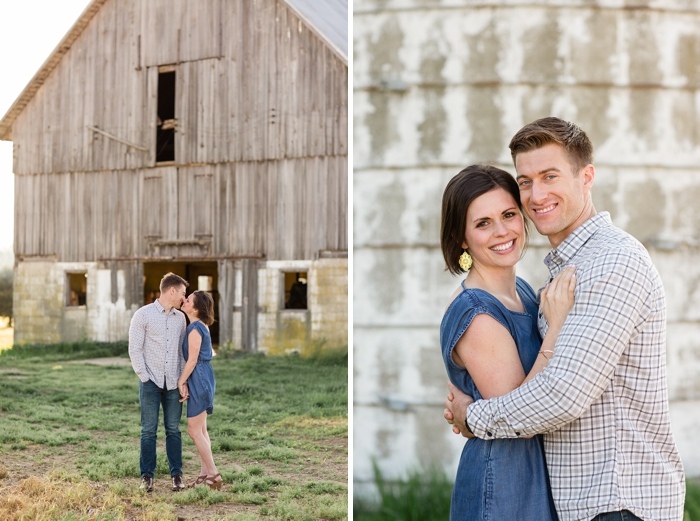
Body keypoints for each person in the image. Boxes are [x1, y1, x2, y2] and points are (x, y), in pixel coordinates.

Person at [444, 117, 685, 521]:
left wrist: (472, 417)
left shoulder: (611, 262)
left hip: (617, 504)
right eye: (525, 181)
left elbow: (562, 396)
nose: (537, 195)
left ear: (586, 176)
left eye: (550, 176)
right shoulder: (563, 272)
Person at [440, 164, 576, 520]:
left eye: (508, 214)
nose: (502, 231)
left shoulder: (524, 292)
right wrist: (558, 325)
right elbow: (520, 414)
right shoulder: (477, 312)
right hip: (502, 483)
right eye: (483, 223)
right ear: (461, 237)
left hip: (534, 477)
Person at [128, 272, 189, 493]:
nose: (185, 298)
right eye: (183, 293)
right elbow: (134, 348)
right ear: (171, 291)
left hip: (174, 382)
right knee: (148, 431)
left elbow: (183, 353)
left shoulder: (181, 318)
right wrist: (144, 376)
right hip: (150, 382)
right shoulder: (142, 315)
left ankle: (176, 476)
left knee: (173, 430)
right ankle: (147, 476)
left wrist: (183, 381)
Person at [178, 290, 222, 489]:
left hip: (200, 377)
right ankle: (205, 474)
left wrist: (181, 381)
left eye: (188, 300)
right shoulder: (198, 325)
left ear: (195, 308)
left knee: (194, 431)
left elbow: (193, 359)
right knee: (202, 430)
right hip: (202, 376)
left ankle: (213, 474)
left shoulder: (195, 328)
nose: (184, 301)